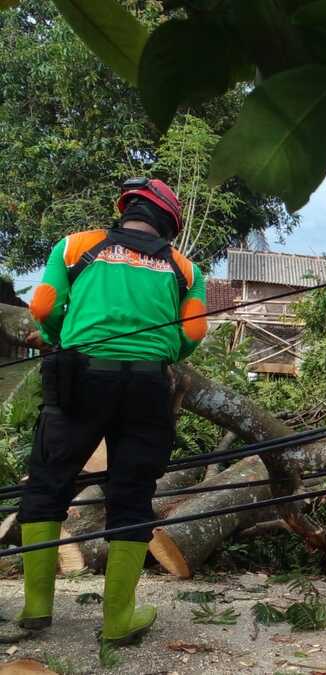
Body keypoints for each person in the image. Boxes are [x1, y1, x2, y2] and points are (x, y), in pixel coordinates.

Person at [5, 178, 207, 647]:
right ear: (169, 221)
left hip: (79, 378)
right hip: (147, 385)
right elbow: (194, 330)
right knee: (133, 493)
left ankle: (36, 610)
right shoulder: (183, 267)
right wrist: (162, 349)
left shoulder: (77, 246)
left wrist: (57, 335)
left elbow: (43, 305)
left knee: (49, 482)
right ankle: (118, 620)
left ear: (126, 210)